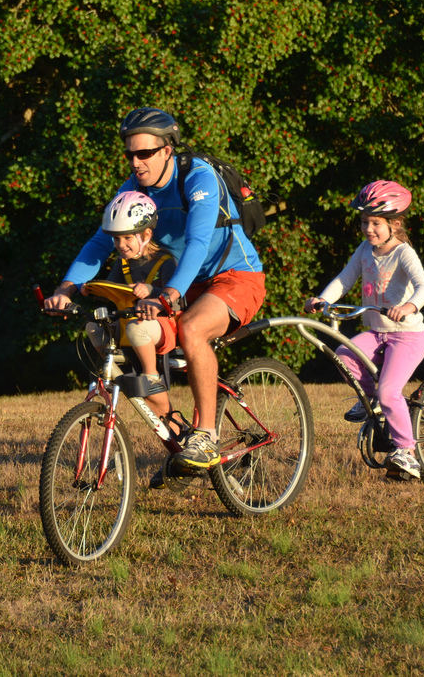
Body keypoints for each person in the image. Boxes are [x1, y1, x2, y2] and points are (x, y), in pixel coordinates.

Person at [44, 107, 266, 480]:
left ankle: (206, 435)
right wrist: (65, 288)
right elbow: (100, 242)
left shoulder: (197, 177)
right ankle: (177, 431)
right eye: (130, 154)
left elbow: (197, 240)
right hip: (176, 284)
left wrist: (170, 292)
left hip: (232, 276)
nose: (135, 162)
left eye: (143, 153)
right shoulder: (132, 187)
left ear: (167, 149)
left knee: (193, 329)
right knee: (124, 335)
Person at [303, 180, 424, 479]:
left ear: (395, 224)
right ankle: (372, 402)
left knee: (390, 391)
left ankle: (406, 451)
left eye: (376, 223)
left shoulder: (404, 254)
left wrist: (409, 306)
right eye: (364, 222)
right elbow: (344, 279)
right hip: (376, 332)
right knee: (344, 354)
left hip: (408, 335)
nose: (368, 229)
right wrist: (323, 299)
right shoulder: (364, 250)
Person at [83, 190, 183, 434]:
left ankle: (151, 376)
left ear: (146, 234)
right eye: (116, 240)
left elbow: (176, 299)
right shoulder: (122, 262)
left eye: (127, 238)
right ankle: (116, 366)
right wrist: (92, 288)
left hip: (162, 326)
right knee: (94, 327)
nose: (120, 245)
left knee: (137, 329)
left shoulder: (165, 261)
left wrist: (150, 289)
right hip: (130, 323)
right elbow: (113, 288)